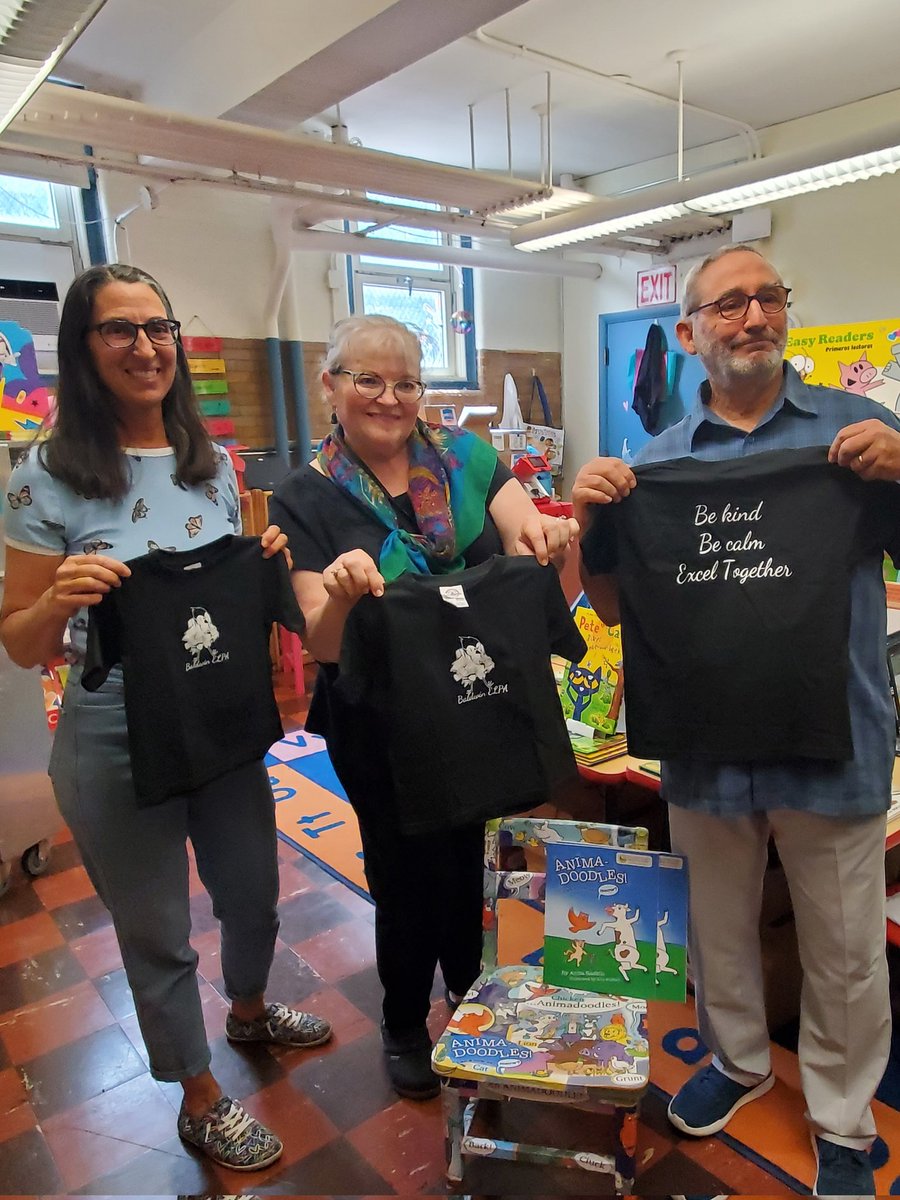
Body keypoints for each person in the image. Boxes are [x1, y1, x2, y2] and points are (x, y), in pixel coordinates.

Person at [572, 245, 900, 1197]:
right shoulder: (656, 464)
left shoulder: (861, 432)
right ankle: (739, 1061)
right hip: (708, 742)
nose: (753, 318)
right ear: (688, 334)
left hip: (830, 734)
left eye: (768, 299)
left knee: (842, 947)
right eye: (728, 306)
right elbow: (615, 604)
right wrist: (598, 518)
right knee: (717, 927)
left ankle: (841, 1119)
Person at [0, 263, 333, 1173]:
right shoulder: (45, 479)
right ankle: (197, 1093)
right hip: (110, 732)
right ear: (83, 348)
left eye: (159, 327)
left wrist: (262, 553)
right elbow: (23, 644)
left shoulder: (212, 462)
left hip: (220, 719)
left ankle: (253, 1012)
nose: (146, 348)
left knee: (252, 894)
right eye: (119, 330)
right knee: (155, 927)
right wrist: (57, 600)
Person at [268, 314, 578, 1100]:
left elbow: (520, 531)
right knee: (405, 872)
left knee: (469, 859)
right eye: (367, 379)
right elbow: (321, 638)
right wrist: (338, 592)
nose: (389, 397)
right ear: (330, 384)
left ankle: (471, 996)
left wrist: (543, 536)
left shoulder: (470, 461)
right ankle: (405, 1020)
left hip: (473, 705)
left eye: (406, 381)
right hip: (376, 722)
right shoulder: (302, 500)